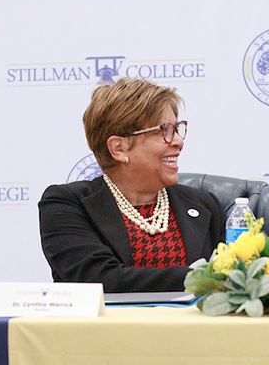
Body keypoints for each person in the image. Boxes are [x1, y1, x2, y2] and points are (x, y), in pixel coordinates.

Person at [39, 78, 225, 292]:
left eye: (177, 129)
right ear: (119, 148)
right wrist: (204, 277)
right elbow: (101, 281)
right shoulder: (66, 205)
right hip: (109, 325)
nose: (178, 141)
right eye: (163, 130)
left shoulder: (204, 205)